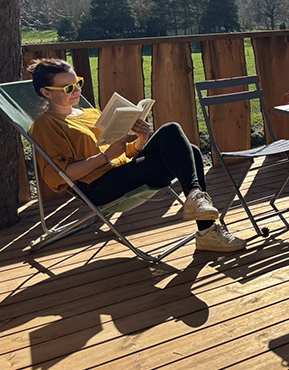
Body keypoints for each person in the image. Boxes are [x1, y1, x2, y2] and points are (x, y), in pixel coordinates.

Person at [27, 58, 246, 253]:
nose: (76, 90)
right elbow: (62, 176)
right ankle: (205, 226)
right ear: (46, 92)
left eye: (78, 83)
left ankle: (199, 208)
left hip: (121, 171)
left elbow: (121, 154)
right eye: (68, 88)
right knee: (183, 146)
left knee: (181, 140)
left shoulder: (91, 113)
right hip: (97, 186)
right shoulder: (46, 125)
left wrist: (141, 140)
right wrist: (105, 158)